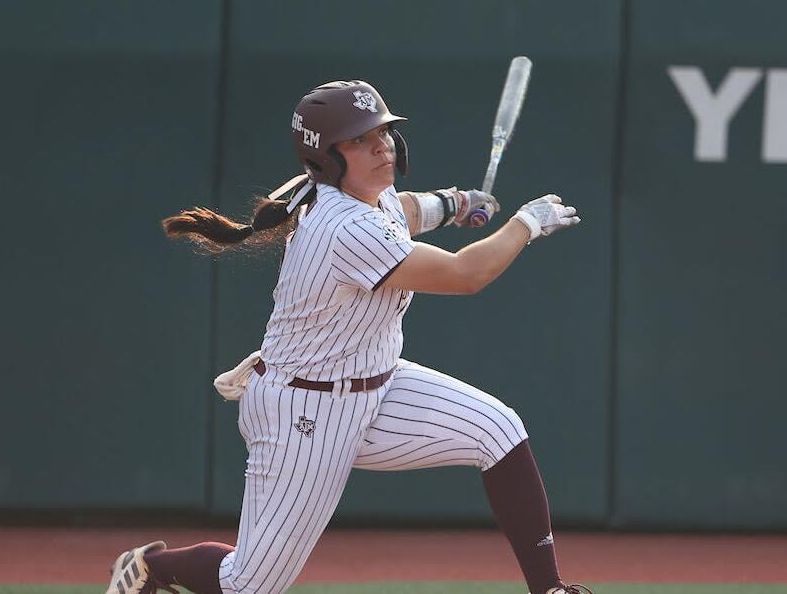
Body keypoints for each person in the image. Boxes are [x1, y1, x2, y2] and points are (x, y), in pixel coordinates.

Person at [107, 80, 588, 594]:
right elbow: (465, 275)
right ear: (327, 159)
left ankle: (550, 589)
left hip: (377, 386)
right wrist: (524, 224)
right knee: (250, 585)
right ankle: (150, 570)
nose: (381, 145)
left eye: (382, 132)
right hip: (303, 412)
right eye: (360, 140)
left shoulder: (360, 198)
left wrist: (454, 203)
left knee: (499, 429)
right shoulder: (344, 229)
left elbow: (401, 209)